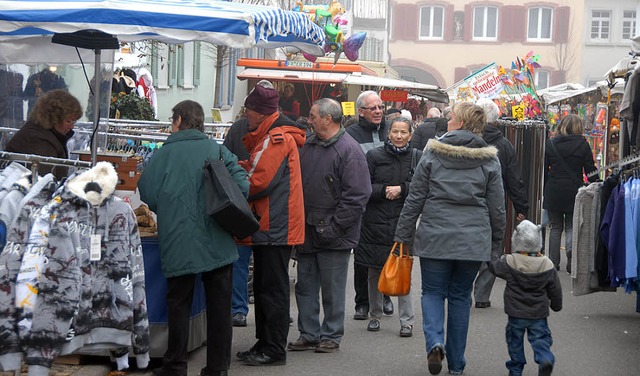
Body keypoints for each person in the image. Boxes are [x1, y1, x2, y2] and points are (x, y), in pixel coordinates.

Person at [394, 102, 506, 375]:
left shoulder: (432, 152)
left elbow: (416, 197)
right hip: (473, 238)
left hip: (435, 233)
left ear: (461, 123)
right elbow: (497, 206)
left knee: (432, 292)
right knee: (459, 297)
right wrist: (496, 242)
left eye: (452, 117)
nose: (448, 121)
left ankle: (434, 342)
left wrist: (403, 234)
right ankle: (456, 364)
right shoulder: (489, 158)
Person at [138, 100, 248, 376]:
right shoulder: (218, 150)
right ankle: (218, 368)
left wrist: (170, 208)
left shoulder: (164, 155)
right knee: (220, 307)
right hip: (217, 238)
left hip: (178, 238)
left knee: (178, 304)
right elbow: (243, 185)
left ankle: (175, 365)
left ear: (178, 121)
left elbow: (148, 193)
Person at [288, 98, 371, 353]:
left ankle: (331, 335)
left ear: (327, 119)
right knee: (305, 286)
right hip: (308, 230)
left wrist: (333, 228)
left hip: (333, 233)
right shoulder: (309, 145)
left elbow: (357, 196)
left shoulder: (349, 150)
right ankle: (309, 333)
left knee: (332, 289)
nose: (308, 119)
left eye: (313, 116)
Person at [235, 84, 306, 366]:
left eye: (248, 110)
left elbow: (257, 181)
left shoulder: (275, 139)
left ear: (259, 112)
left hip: (276, 225)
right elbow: (259, 172)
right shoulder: (273, 136)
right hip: (275, 223)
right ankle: (264, 343)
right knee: (267, 289)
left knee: (272, 291)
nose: (245, 116)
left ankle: (273, 349)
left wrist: (234, 174)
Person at [354, 116, 420, 338]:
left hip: (403, 221)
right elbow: (363, 186)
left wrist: (402, 189)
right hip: (375, 221)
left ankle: (407, 321)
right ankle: (375, 314)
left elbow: (423, 188)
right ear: (388, 134)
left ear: (410, 134)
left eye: (403, 132)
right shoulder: (374, 156)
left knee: (403, 269)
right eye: (395, 132)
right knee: (374, 269)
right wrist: (383, 191)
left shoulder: (417, 157)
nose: (399, 136)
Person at [223, 80, 274, 328]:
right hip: (247, 205)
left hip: (255, 205)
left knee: (250, 262)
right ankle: (240, 309)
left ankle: (243, 310)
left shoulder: (273, 132)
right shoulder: (239, 129)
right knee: (244, 261)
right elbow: (227, 159)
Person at [473, 98, 529, 309]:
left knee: (471, 245)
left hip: (470, 203)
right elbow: (514, 178)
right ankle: (481, 296)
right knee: (494, 246)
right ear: (496, 121)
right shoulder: (504, 144)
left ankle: (462, 292)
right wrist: (521, 207)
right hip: (496, 202)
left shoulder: (466, 140)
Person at [488, 220, 562, 376]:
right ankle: (544, 358)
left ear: (516, 239)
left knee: (514, 341)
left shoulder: (510, 261)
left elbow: (494, 266)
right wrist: (556, 305)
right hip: (538, 313)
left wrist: (493, 253)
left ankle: (515, 369)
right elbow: (555, 289)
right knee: (540, 338)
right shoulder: (547, 264)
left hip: (516, 313)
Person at [346, 90, 394, 320]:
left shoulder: (390, 130)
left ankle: (384, 296)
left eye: (380, 107)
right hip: (362, 202)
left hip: (388, 201)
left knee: (386, 252)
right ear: (361, 112)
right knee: (363, 254)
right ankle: (362, 302)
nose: (378, 111)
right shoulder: (351, 134)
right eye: (372, 108)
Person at [543, 114, 597, 273]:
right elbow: (590, 170)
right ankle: (570, 254)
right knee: (571, 226)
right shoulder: (583, 144)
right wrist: (597, 184)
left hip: (554, 189)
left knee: (555, 227)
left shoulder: (551, 144)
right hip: (574, 190)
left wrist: (546, 187)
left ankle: (553, 262)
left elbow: (545, 169)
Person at [6, 89, 81, 180]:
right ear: (54, 118)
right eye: (68, 121)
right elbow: (42, 184)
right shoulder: (39, 140)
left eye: (74, 121)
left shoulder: (43, 134)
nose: (72, 126)